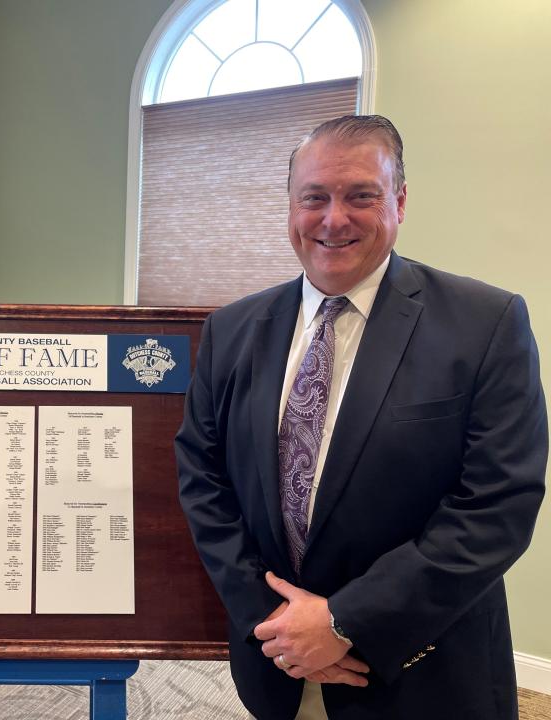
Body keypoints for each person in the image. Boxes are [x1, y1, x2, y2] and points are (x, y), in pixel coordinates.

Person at [175, 114, 547, 719]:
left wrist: (346, 622)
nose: (333, 218)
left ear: (398, 201)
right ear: (290, 206)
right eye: (313, 197)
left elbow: (496, 505)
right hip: (277, 661)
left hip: (424, 673)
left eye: (361, 196)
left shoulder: (487, 323)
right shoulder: (232, 329)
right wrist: (272, 619)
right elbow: (203, 477)